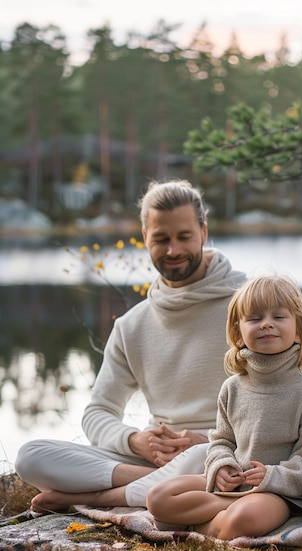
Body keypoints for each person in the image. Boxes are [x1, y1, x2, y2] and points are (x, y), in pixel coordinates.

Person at [15, 179, 246, 512]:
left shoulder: (248, 304)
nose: (173, 251)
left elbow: (279, 397)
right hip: (156, 460)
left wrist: (211, 441)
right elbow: (98, 412)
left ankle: (103, 497)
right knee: (31, 457)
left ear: (203, 233)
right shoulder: (132, 325)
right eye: (161, 239)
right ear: (145, 239)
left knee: (205, 456)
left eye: (184, 237)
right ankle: (159, 484)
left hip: (222, 453)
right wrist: (137, 441)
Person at [145, 274, 302, 540]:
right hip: (235, 485)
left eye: (278, 317)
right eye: (255, 318)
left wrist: (272, 475)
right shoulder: (233, 388)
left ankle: (199, 525)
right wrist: (222, 467)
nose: (267, 325)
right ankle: (216, 517)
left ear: (298, 328)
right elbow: (221, 441)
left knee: (245, 518)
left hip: (279, 494)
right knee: (158, 497)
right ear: (238, 332)